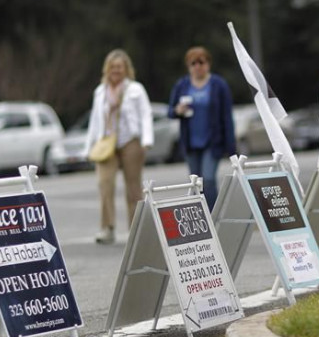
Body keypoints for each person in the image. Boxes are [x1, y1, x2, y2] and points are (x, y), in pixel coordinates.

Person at [84, 49, 154, 244]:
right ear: (107, 69)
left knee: (133, 188)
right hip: (106, 143)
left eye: (119, 67)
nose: (116, 70)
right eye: (112, 67)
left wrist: (146, 140)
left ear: (126, 69)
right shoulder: (100, 91)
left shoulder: (135, 89)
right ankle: (107, 228)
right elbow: (94, 120)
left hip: (130, 141)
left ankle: (136, 229)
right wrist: (89, 146)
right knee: (104, 183)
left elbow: (146, 114)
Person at [167, 46, 235, 210]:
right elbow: (170, 111)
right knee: (196, 183)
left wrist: (231, 148)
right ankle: (200, 217)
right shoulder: (182, 85)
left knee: (209, 179)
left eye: (201, 62)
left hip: (212, 142)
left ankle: (214, 215)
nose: (198, 66)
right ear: (188, 66)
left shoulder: (218, 85)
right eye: (193, 63)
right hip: (191, 143)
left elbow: (227, 116)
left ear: (208, 64)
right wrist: (178, 110)